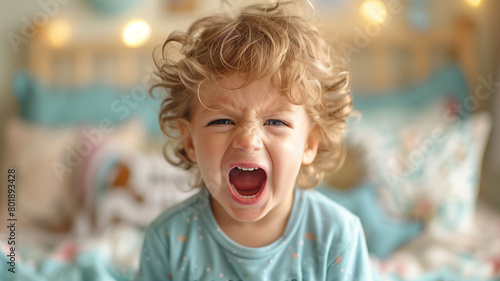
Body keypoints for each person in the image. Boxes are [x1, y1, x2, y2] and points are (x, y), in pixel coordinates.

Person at [134, 1, 372, 280]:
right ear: (189, 142)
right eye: (222, 121)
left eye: (275, 122)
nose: (247, 141)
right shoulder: (168, 239)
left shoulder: (337, 237)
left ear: (309, 143)